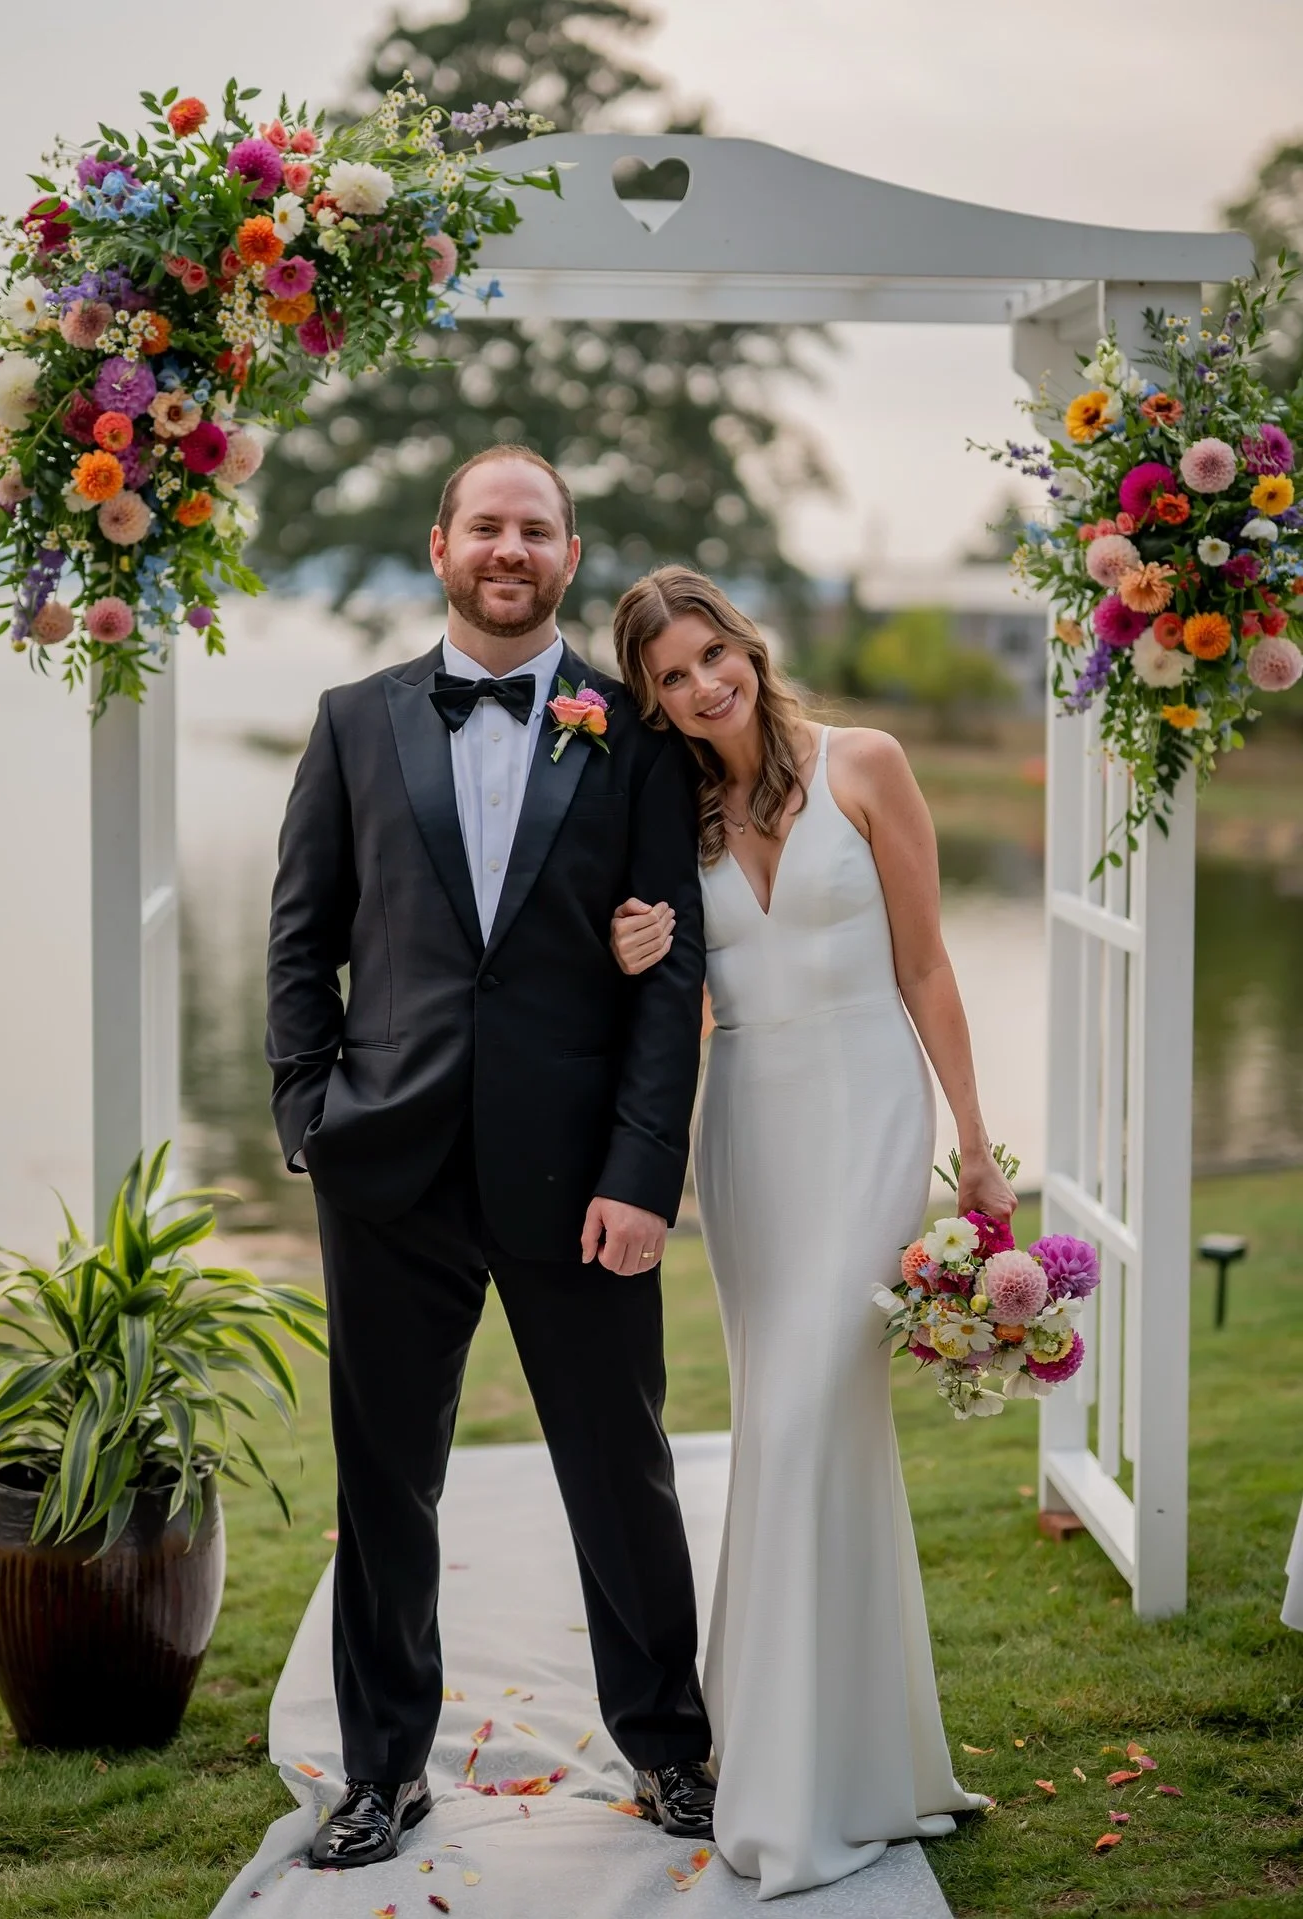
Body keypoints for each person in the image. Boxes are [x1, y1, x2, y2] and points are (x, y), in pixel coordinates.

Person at [265, 450, 717, 1870]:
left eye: (535, 529)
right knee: (385, 1481)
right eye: (486, 526)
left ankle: (668, 1747)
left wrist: (645, 1173)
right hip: (386, 1169)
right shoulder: (351, 722)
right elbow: (300, 936)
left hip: (579, 1174)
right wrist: (305, 1116)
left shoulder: (636, 740)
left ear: (570, 555)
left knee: (620, 1469)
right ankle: (385, 1771)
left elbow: (669, 970)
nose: (507, 548)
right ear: (440, 544)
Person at [609, 564, 1009, 1898]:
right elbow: (686, 1004)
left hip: (873, 1110)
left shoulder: (868, 761)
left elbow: (928, 963)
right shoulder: (676, 812)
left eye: (712, 651)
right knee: (800, 1430)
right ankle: (852, 1753)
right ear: (654, 700)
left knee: (803, 1412)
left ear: (746, 641)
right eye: (672, 674)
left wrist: (975, 1140)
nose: (703, 682)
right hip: (754, 1134)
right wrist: (634, 949)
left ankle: (789, 1775)